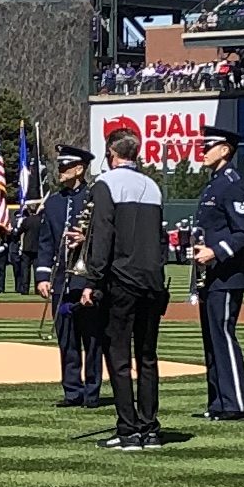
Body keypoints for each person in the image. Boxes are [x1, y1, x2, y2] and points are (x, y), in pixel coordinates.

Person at [74, 134, 172, 448]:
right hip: (152, 281)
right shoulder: (152, 186)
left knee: (118, 356)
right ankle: (150, 429)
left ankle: (128, 431)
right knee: (147, 356)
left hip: (121, 280)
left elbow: (103, 234)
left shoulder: (105, 184)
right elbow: (160, 240)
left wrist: (92, 280)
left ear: (111, 153)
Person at [188, 113, 244, 419]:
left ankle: (237, 404)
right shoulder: (214, 184)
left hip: (228, 274)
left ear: (225, 150)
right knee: (212, 338)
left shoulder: (232, 184)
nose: (203, 151)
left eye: (208, 147)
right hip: (211, 275)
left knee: (223, 334)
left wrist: (215, 252)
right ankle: (218, 402)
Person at [34, 140, 103, 407]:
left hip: (87, 279)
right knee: (67, 339)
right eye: (60, 166)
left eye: (66, 166)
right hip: (62, 280)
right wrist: (42, 277)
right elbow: (45, 243)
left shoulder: (94, 198)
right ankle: (72, 391)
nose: (61, 171)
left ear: (79, 169)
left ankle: (92, 392)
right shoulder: (53, 202)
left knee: (92, 339)